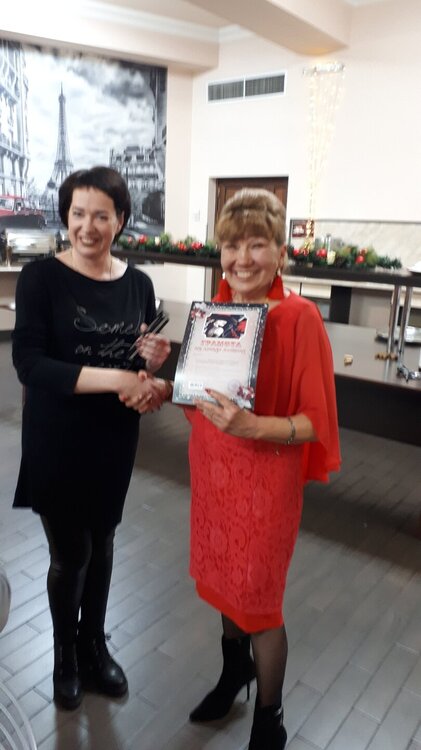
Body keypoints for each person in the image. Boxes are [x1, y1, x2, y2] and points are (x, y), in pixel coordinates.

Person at [176, 189, 340, 749]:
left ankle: (270, 718)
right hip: (214, 475)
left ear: (279, 253)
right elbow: (200, 401)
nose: (242, 259)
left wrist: (252, 427)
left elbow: (315, 422)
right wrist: (168, 377)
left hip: (265, 484)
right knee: (226, 587)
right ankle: (234, 673)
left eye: (256, 244)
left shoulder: (299, 318)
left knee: (260, 604)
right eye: (231, 245)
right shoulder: (216, 311)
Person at [12, 166, 172, 711]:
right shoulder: (40, 279)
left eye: (101, 215)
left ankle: (93, 646)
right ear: (66, 217)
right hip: (56, 438)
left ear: (121, 219)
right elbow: (30, 364)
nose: (87, 226)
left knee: (102, 543)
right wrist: (118, 380)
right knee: (71, 553)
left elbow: (136, 360)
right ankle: (64, 657)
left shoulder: (139, 284)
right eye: (78, 213)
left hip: (113, 438)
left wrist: (149, 365)